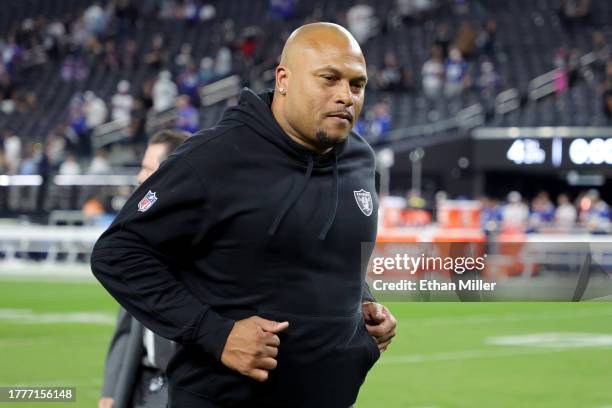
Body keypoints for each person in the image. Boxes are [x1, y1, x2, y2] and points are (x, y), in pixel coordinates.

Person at [91, 22, 397, 408]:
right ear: (284, 79)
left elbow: (333, 256)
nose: (346, 96)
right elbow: (117, 253)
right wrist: (216, 334)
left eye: (357, 85)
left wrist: (363, 306)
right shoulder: (215, 157)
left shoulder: (359, 159)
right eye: (329, 79)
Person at [98, 130, 190, 408]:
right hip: (141, 388)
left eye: (148, 168)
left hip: (184, 387)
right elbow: (126, 328)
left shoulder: (202, 235)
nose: (140, 177)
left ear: (169, 173)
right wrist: (111, 389)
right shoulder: (140, 236)